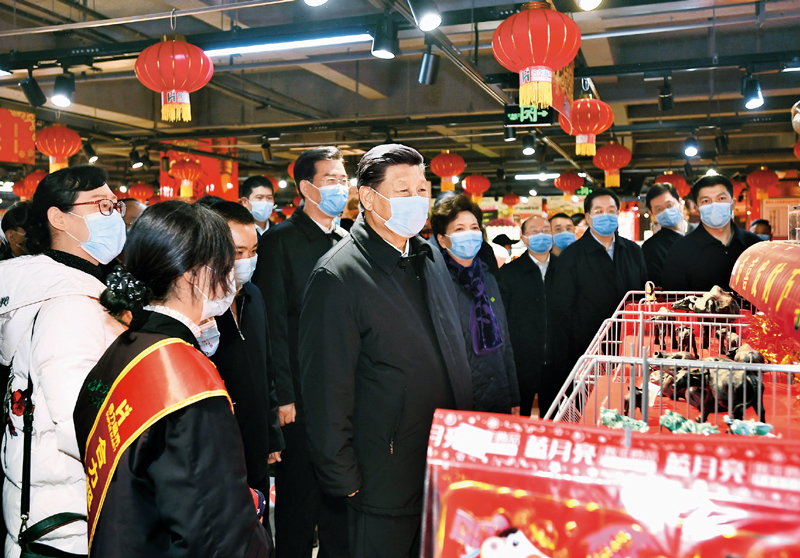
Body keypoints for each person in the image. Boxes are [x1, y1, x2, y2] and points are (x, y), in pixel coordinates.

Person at [299, 144, 472, 558]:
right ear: (369, 197)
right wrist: (343, 476)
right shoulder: (338, 276)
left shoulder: (428, 257)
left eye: (422, 189)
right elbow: (325, 389)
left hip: (440, 465)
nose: (417, 199)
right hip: (381, 479)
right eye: (403, 190)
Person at [72, 201, 271, 558]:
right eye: (226, 264)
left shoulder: (123, 348)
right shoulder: (185, 380)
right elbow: (216, 534)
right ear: (194, 274)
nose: (233, 276)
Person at [0, 165, 126, 557]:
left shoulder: (68, 287)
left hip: (51, 502)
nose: (114, 216)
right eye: (101, 205)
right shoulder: (70, 301)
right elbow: (80, 421)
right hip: (68, 516)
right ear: (58, 217)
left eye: (116, 205)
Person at [253, 147, 349, 558]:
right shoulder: (280, 242)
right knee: (298, 504)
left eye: (344, 180)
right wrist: (283, 396)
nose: (341, 187)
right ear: (306, 188)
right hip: (301, 397)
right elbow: (272, 324)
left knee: (340, 501)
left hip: (343, 394)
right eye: (331, 180)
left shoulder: (346, 240)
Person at [197, 199, 284, 538]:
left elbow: (266, 367)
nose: (247, 260)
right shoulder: (200, 309)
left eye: (253, 251)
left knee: (260, 534)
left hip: (256, 442)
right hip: (218, 452)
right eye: (238, 252)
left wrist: (271, 433)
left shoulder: (254, 296)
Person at [431, 194, 519, 415]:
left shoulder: (488, 279)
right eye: (459, 229)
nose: (469, 234)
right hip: (458, 398)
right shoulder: (436, 282)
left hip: (498, 390)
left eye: (474, 228)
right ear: (442, 239)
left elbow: (505, 340)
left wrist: (513, 395)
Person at [551, 189, 648, 382]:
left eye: (611, 210)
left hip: (629, 346)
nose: (606, 215)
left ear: (617, 214)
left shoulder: (633, 251)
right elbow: (562, 309)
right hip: (587, 350)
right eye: (598, 211)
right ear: (588, 217)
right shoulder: (571, 256)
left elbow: (642, 296)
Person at [499, 215, 559, 418]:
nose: (541, 235)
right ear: (524, 238)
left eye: (546, 230)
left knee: (554, 417)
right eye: (534, 231)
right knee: (519, 416)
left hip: (556, 360)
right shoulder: (509, 273)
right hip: (520, 360)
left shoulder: (565, 269)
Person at [662, 176, 761, 292]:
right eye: (706, 201)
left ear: (733, 203)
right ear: (697, 209)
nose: (714, 205)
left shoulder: (755, 246)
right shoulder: (680, 251)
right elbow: (673, 299)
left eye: (721, 198)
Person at [641, 183, 695, 287]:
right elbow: (657, 287)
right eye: (659, 209)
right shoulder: (651, 247)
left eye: (669, 205)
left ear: (680, 203)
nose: (666, 211)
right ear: (653, 214)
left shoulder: (702, 233)